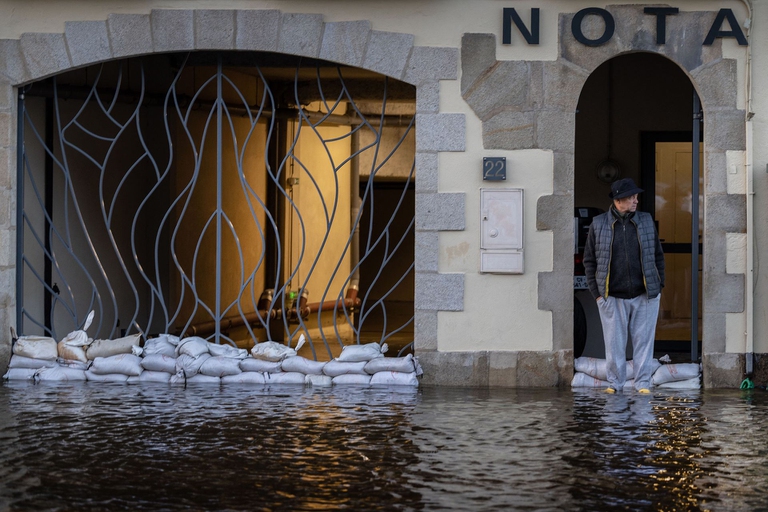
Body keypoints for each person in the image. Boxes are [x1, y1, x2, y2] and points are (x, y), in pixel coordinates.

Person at [582, 178, 665, 394]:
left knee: (644, 343)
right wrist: (597, 295)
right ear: (619, 200)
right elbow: (589, 261)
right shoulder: (599, 223)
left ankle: (643, 384)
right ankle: (615, 384)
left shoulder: (646, 221)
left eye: (636, 196)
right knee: (614, 345)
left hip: (645, 294)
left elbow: (658, 255)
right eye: (632, 197)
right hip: (611, 296)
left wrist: (659, 286)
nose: (636, 200)